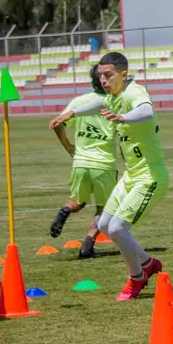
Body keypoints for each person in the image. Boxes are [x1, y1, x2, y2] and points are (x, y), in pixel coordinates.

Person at [48, 52, 168, 301]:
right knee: (103, 225)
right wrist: (72, 114)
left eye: (108, 75)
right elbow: (99, 104)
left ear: (123, 74)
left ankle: (137, 277)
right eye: (100, 75)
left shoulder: (135, 92)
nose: (103, 80)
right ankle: (147, 263)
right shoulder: (112, 97)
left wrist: (124, 117)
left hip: (149, 176)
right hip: (131, 175)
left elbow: (145, 111)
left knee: (116, 227)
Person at [49, 64, 117, 259]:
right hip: (103, 163)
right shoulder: (112, 101)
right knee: (105, 208)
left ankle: (65, 210)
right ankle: (87, 246)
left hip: (80, 162)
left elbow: (58, 122)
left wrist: (69, 146)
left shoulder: (79, 101)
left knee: (77, 202)